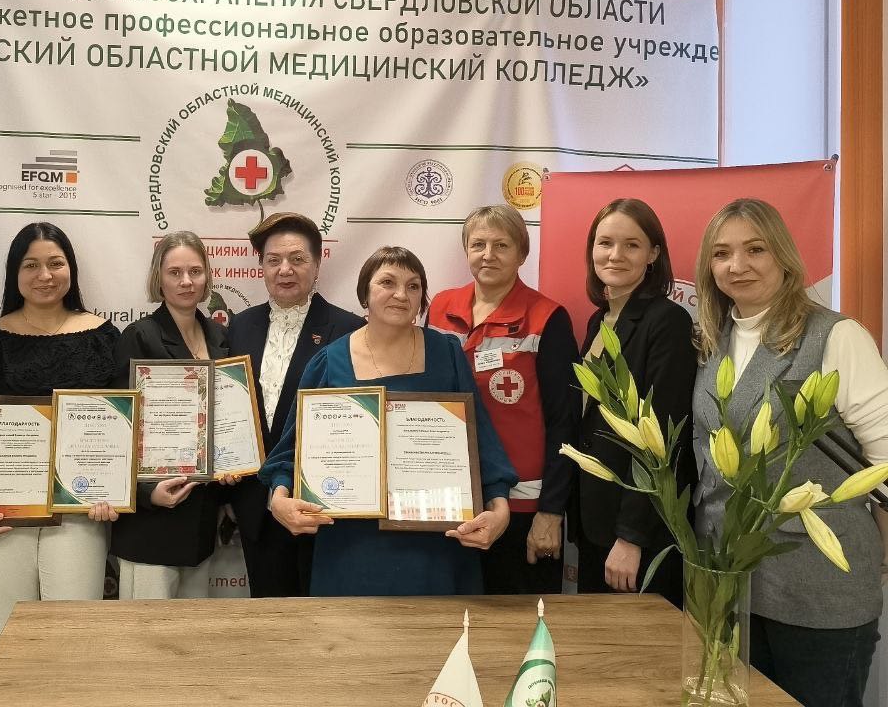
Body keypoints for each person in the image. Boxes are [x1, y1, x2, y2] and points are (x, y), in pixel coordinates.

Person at [693, 198, 888, 707]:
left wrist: (880, 561)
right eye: (722, 253)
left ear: (783, 255)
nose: (737, 265)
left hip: (819, 587)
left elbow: (886, 462)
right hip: (731, 584)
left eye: (755, 249)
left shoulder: (836, 336)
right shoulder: (713, 341)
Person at [260, 246, 517, 596]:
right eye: (388, 282)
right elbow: (290, 453)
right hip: (350, 551)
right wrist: (279, 500)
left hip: (438, 549)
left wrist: (500, 509)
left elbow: (481, 442)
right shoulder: (328, 362)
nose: (401, 294)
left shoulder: (447, 354)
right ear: (364, 293)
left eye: (413, 286)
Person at [0, 222, 119, 658]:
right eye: (31, 265)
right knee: (5, 643)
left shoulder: (105, 339)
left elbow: (119, 427)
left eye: (55, 263)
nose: (45, 276)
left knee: (73, 644)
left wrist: (113, 490)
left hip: (78, 514)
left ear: (71, 269)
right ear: (14, 273)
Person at [427, 204, 577, 594]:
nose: (488, 255)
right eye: (478, 244)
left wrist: (550, 512)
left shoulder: (547, 318)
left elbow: (564, 421)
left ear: (522, 253)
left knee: (519, 621)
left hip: (523, 507)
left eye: (501, 245)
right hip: (454, 499)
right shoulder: (440, 308)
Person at [226, 212, 363, 596]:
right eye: (273, 260)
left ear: (317, 265)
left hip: (322, 504)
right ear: (261, 267)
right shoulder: (240, 326)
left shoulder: (349, 330)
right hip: (256, 505)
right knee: (270, 620)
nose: (284, 269)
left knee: (327, 618)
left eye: (297, 259)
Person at [574, 198, 695, 607]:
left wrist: (632, 537)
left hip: (638, 535)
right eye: (605, 243)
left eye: (632, 245)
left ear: (653, 254)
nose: (615, 255)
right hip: (596, 519)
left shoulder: (667, 321)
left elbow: (662, 440)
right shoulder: (600, 320)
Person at [111, 232, 230, 598]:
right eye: (175, 272)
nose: (186, 281)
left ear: (207, 276)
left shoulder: (220, 337)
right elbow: (118, 429)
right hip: (152, 525)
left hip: (201, 523)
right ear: (158, 278)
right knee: (146, 633)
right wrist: (146, 493)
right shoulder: (139, 336)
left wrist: (234, 464)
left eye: (195, 271)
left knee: (191, 632)